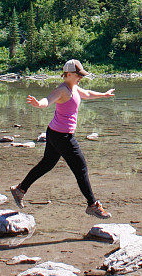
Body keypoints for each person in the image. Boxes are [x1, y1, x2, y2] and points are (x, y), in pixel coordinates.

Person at [10, 59, 115, 218]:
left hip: (54, 133)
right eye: (78, 75)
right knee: (81, 169)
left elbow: (86, 94)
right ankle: (92, 205)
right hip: (62, 137)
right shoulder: (62, 90)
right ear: (69, 74)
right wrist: (39, 104)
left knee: (47, 164)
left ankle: (19, 190)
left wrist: (104, 94)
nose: (81, 77)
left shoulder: (75, 88)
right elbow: (48, 100)